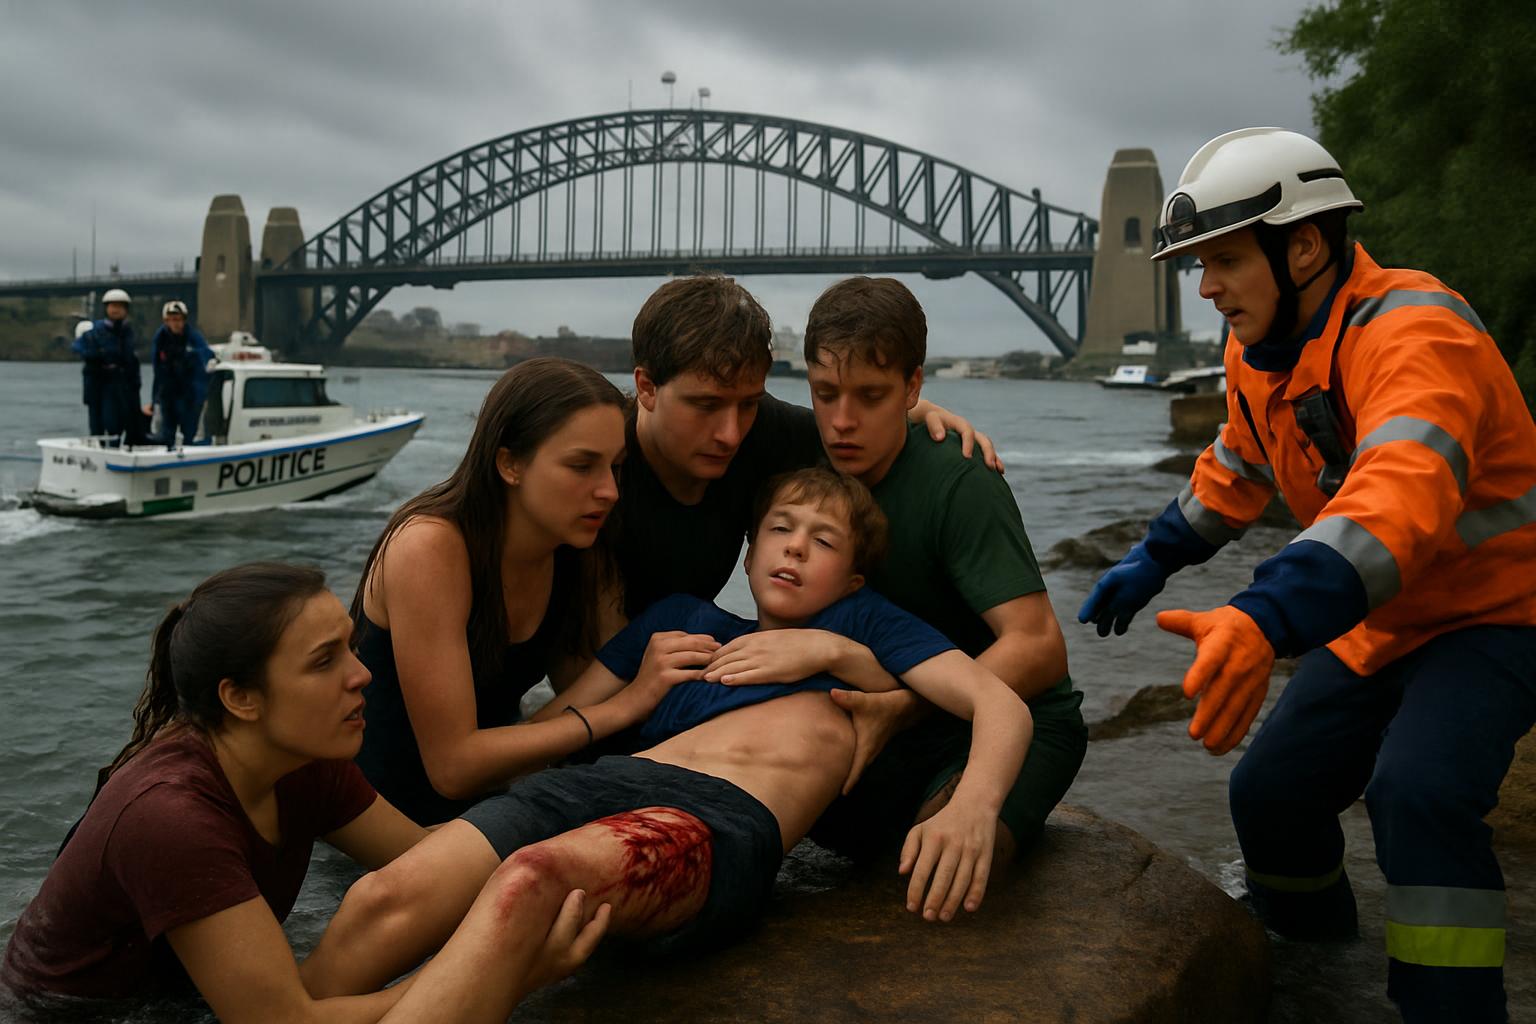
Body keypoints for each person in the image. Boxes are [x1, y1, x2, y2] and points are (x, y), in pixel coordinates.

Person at [1076, 127, 1536, 1023]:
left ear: (1305, 245)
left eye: (1224, 261)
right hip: (1379, 617)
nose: (1205, 288)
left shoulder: (1416, 331)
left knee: (1422, 792)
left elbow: (1392, 505)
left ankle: (1453, 1005)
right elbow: (1236, 470)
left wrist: (1259, 619)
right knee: (1271, 792)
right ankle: (1310, 963)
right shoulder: (1260, 357)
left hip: (1499, 612)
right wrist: (1154, 556)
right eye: (1197, 265)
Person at [297, 467, 1033, 999]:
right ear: (748, 553)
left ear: (851, 581)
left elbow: (1001, 704)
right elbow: (552, 728)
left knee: (529, 882)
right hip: (591, 786)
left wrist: (972, 802)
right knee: (378, 900)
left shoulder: (864, 629)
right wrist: (635, 692)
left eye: (824, 540)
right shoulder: (682, 620)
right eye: (780, 528)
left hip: (712, 818)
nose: (796, 548)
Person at [0, 562, 607, 1024]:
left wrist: (582, 835)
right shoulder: (171, 817)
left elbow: (422, 857)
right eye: (324, 661)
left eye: (349, 645)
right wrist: (501, 973)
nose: (362, 672)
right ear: (240, 698)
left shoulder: (301, 757)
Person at [795, 276, 1086, 867]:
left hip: (1003, 718)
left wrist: (907, 703)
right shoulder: (803, 460)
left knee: (942, 867)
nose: (842, 421)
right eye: (825, 393)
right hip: (885, 719)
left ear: (913, 387)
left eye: (871, 396)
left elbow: (1038, 646)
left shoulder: (962, 483)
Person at [352, 357, 666, 825]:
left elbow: (580, 696)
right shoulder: (430, 546)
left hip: (492, 803)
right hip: (382, 831)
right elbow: (452, 767)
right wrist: (624, 704)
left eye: (615, 468)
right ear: (509, 463)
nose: (609, 491)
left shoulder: (574, 549)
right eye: (582, 466)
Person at [612, 274, 998, 620]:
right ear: (646, 387)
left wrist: (916, 408)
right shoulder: (598, 462)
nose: (730, 434)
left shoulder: (768, 432)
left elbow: (847, 424)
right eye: (705, 405)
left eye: (749, 404)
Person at [71, 288, 145, 443]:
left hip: (120, 387)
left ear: (126, 309)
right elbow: (77, 347)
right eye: (112, 306)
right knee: (97, 425)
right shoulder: (95, 330)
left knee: (116, 425)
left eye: (119, 306)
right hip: (97, 385)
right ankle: (97, 455)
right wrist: (96, 355)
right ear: (106, 308)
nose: (116, 310)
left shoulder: (128, 333)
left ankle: (115, 452)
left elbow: (131, 362)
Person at [148, 300, 214, 446]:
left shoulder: (194, 338)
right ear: (166, 321)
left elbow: (206, 355)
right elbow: (157, 371)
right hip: (168, 394)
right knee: (167, 432)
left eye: (178, 319)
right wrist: (154, 400)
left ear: (184, 320)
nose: (175, 324)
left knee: (189, 432)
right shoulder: (160, 339)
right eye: (171, 320)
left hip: (190, 395)